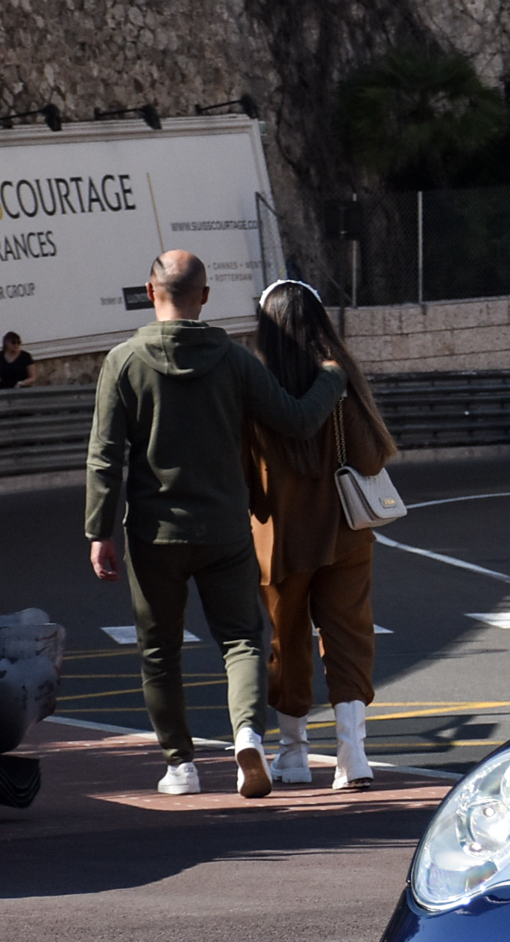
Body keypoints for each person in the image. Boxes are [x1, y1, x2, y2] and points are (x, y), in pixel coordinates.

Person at [85, 249, 346, 797]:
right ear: (204, 297)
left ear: (151, 291)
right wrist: (331, 379)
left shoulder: (124, 361)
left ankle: (180, 765)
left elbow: (105, 457)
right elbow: (296, 420)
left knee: (159, 650)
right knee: (244, 641)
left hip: (153, 533)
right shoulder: (233, 359)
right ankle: (247, 733)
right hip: (225, 527)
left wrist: (99, 531)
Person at [244, 279, 396, 790]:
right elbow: (372, 458)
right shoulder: (340, 383)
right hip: (346, 535)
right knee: (350, 638)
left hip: (281, 540)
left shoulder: (255, 389)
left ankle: (294, 754)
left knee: (287, 644)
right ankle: (353, 756)